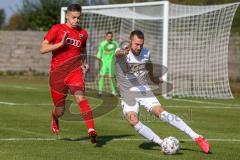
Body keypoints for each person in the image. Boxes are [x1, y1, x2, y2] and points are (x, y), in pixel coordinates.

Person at [115, 30, 210, 153]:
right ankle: (162, 143)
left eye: (141, 44)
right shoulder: (122, 52)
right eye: (136, 44)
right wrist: (123, 51)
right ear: (130, 41)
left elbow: (148, 66)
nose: (139, 47)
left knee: (161, 113)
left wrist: (155, 79)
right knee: (133, 120)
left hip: (143, 89)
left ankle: (197, 137)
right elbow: (118, 53)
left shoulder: (145, 53)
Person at [40, 3, 97, 143]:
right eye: (73, 17)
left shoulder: (83, 33)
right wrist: (60, 45)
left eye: (78, 18)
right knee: (60, 110)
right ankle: (54, 117)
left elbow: (82, 50)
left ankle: (91, 129)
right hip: (57, 74)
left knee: (80, 98)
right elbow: (43, 48)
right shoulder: (57, 29)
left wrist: (85, 63)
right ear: (67, 16)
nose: (76, 20)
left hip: (75, 72)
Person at [96, 32, 119, 97]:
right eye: (108, 36)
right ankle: (100, 92)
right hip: (104, 63)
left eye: (111, 36)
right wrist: (99, 64)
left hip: (112, 64)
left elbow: (118, 53)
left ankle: (114, 92)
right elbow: (99, 55)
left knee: (112, 77)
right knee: (102, 76)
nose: (110, 38)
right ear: (106, 37)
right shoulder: (102, 44)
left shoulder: (115, 44)